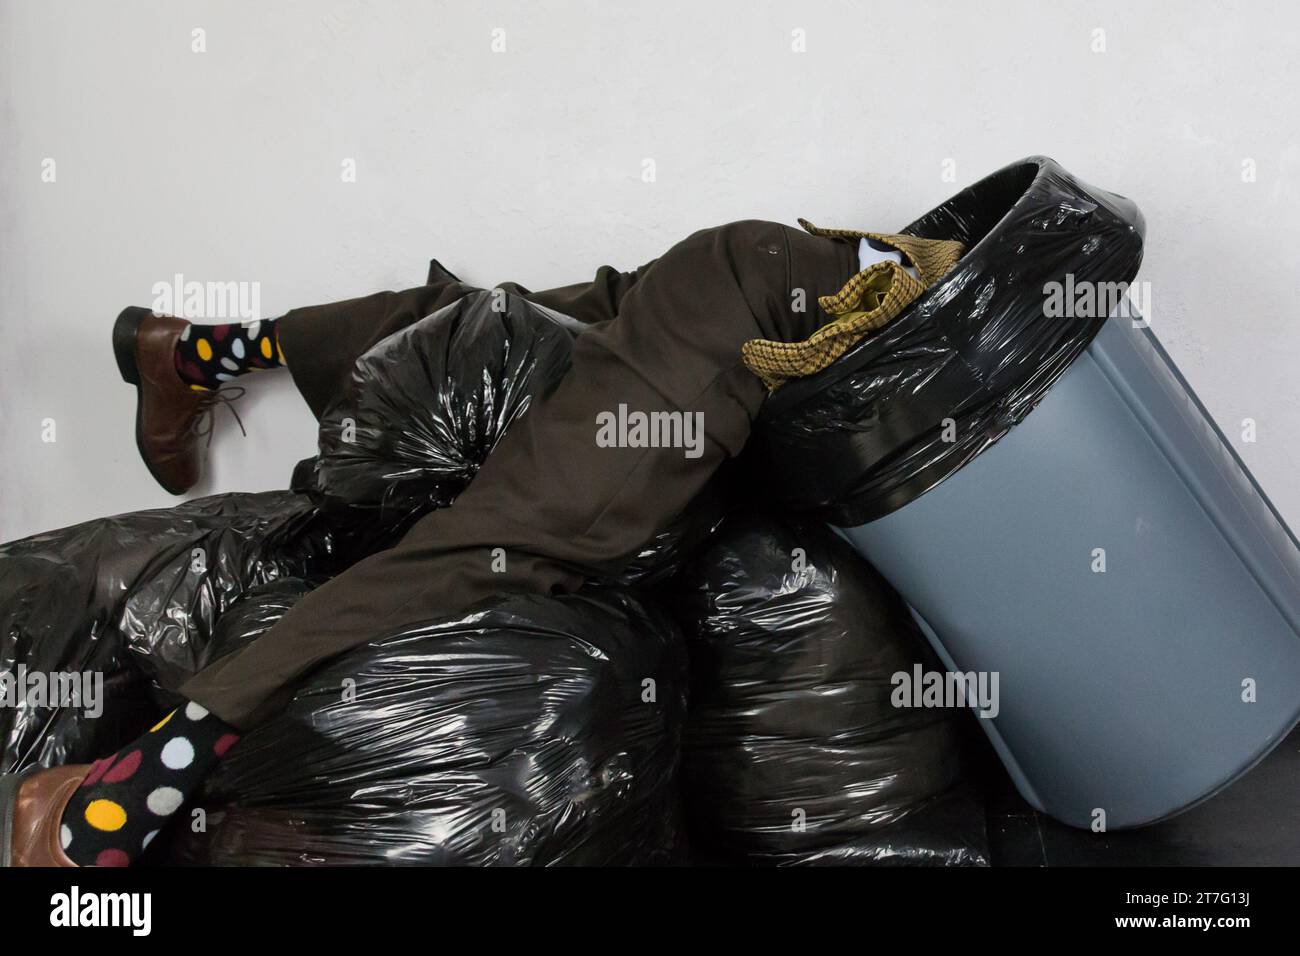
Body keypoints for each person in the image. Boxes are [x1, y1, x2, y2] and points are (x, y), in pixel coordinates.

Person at [1, 219, 962, 866]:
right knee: (495, 547)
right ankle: (130, 790)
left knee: (479, 337)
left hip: (742, 280)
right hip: (754, 312)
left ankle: (184, 351)